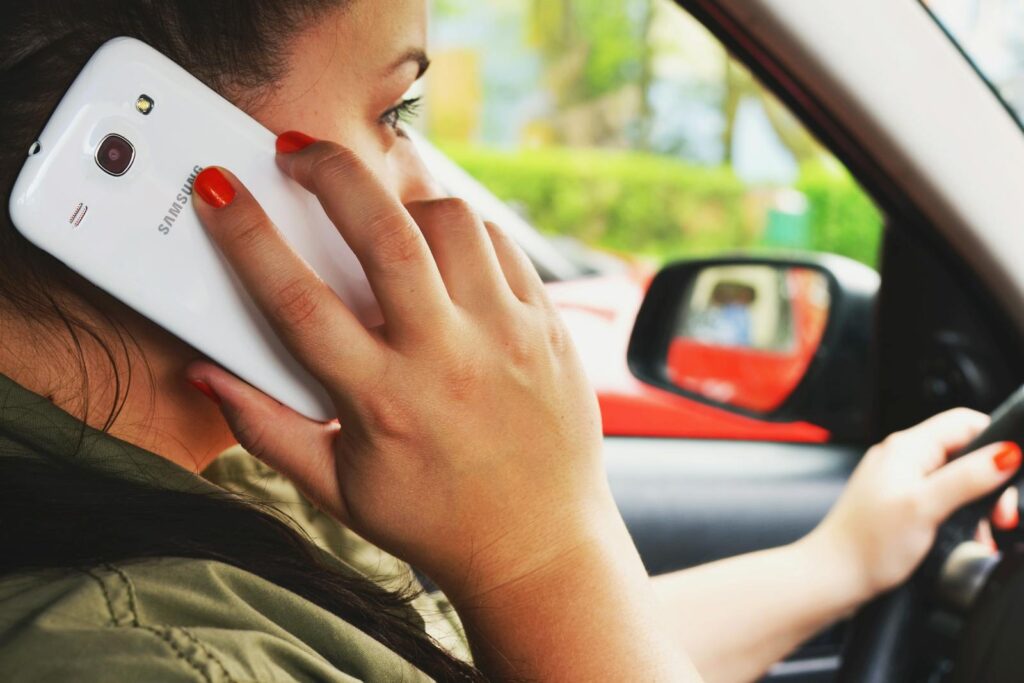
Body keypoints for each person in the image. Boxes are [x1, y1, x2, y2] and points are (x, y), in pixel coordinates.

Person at [0, 2, 1019, 681]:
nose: (436, 195)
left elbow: (534, 648)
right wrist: (543, 543)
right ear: (169, 141)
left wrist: (836, 559)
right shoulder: (141, 653)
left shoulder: (227, 469)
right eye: (393, 109)